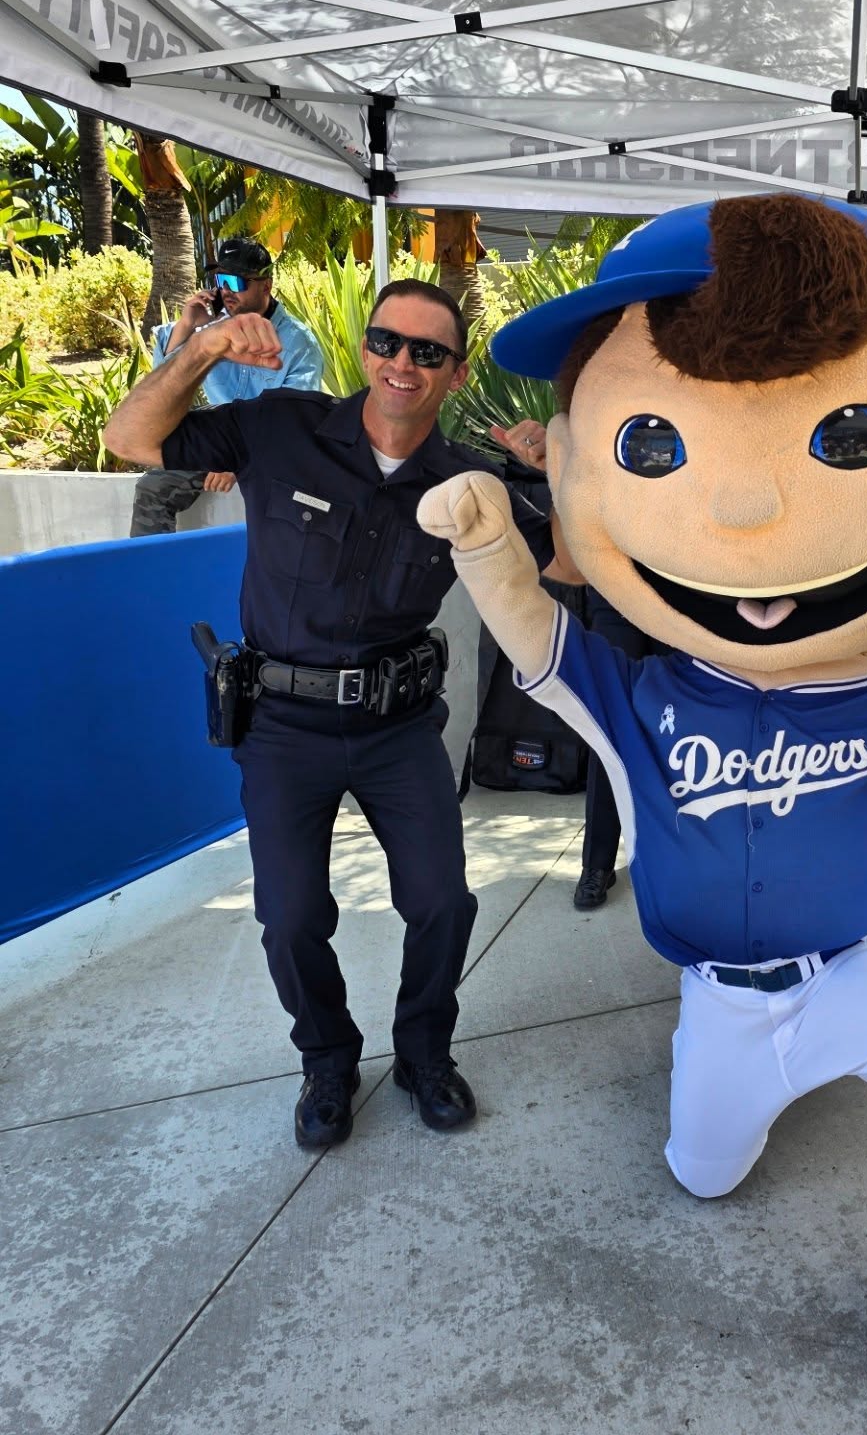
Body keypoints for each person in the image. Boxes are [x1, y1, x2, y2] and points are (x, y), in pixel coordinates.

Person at [418, 195, 867, 1418]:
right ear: (576, 463)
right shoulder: (647, 695)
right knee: (703, 1175)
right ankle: (746, 1098)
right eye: (650, 445)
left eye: (850, 435)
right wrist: (489, 555)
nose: (744, 515)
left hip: (854, 974)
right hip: (721, 1003)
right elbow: (542, 651)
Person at [104, 278, 570, 1149]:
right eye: (387, 341)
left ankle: (424, 1054)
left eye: (428, 351)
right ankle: (326, 1061)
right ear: (364, 348)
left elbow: (570, 569)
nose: (403, 363)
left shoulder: (470, 480)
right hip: (284, 726)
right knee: (290, 919)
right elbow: (129, 437)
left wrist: (562, 478)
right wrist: (203, 346)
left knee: (442, 903)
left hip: (399, 728)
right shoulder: (281, 428)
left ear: (457, 372)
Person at [129, 236, 323, 537]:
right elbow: (163, 388)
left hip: (271, 447)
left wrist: (237, 459)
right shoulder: (209, 329)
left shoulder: (298, 343)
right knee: (152, 488)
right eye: (221, 280)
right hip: (217, 440)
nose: (226, 291)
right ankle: (156, 566)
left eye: (236, 282)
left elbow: (293, 421)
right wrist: (188, 326)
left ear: (266, 285)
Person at [572, 587, 667, 910]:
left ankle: (673, 861)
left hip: (680, 600)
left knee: (675, 729)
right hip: (617, 595)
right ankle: (597, 865)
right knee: (609, 730)